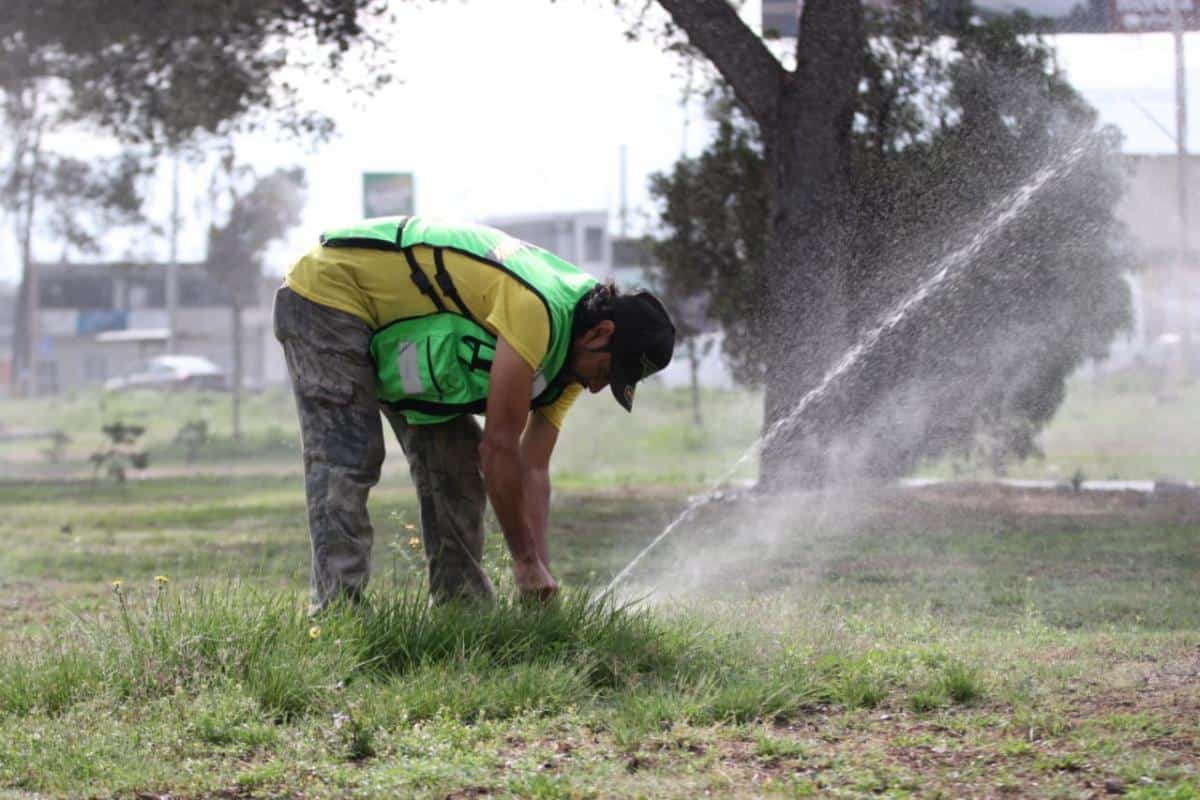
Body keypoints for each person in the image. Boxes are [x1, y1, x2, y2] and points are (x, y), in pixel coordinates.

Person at [273, 215, 675, 610]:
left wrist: (540, 576)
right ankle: (337, 610)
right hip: (329, 291)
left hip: (403, 331)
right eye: (606, 373)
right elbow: (500, 446)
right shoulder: (539, 310)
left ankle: (461, 610)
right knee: (350, 452)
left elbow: (532, 469)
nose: (595, 388)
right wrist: (524, 561)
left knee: (457, 461)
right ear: (600, 334)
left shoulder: (572, 357)